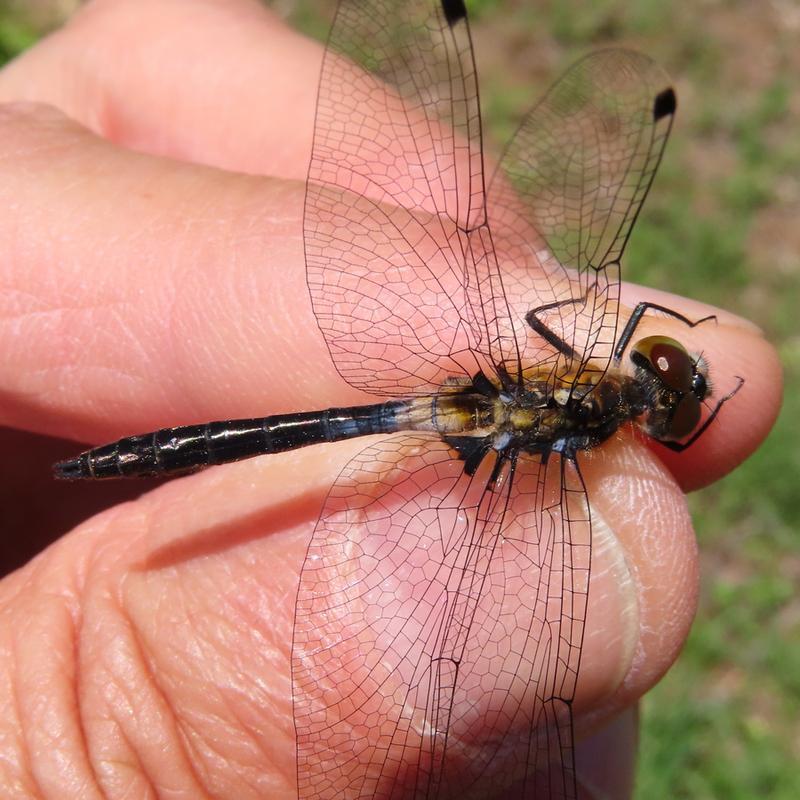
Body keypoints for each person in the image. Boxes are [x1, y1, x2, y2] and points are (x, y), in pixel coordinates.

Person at [0, 1, 781, 797]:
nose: (663, 371)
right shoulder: (600, 427)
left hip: (490, 406)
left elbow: (557, 320)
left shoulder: (575, 356)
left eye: (669, 389)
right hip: (483, 417)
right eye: (663, 366)